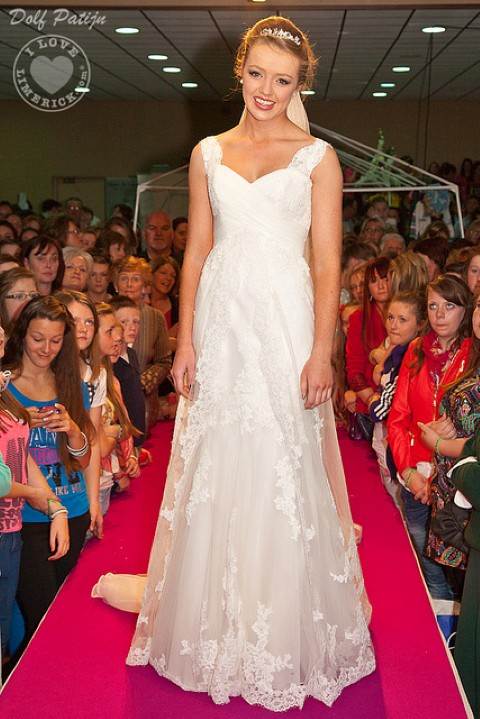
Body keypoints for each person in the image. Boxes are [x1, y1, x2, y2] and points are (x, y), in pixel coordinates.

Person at [104, 15, 375, 710]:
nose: (267, 90)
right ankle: (215, 624)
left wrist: (322, 350)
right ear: (241, 71)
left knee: (281, 459)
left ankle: (279, 627)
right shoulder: (208, 152)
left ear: (299, 85)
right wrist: (187, 341)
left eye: (283, 80)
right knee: (219, 456)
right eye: (257, 74)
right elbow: (196, 252)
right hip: (223, 325)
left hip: (286, 323)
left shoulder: (317, 158)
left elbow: (327, 263)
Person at [4, 296, 94, 644]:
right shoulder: (6, 387)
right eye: (38, 338)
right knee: (40, 615)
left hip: (74, 510)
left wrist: (72, 429)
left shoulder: (71, 384)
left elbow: (83, 460)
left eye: (55, 341)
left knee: (61, 614)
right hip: (25, 519)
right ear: (22, 335)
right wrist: (21, 424)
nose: (46, 349)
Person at [387, 274, 472, 600]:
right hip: (416, 473)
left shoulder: (472, 355)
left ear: (465, 309)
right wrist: (408, 471)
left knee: (459, 566)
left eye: (449, 306)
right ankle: (440, 613)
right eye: (433, 306)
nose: (439, 315)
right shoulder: (416, 349)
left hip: (455, 479)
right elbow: (398, 418)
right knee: (425, 554)